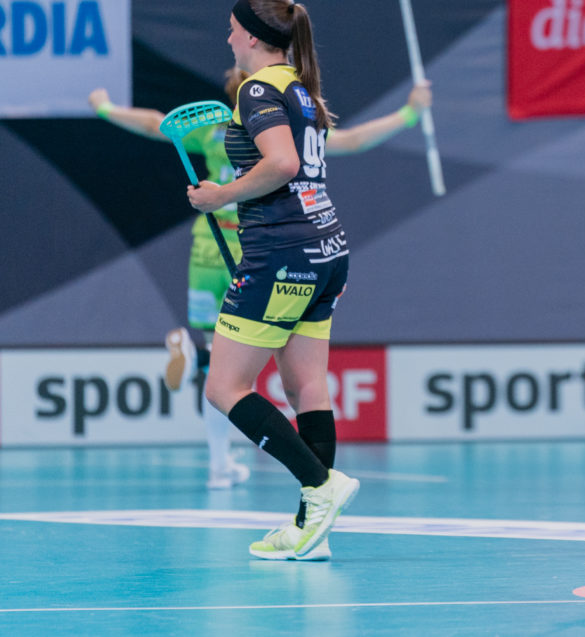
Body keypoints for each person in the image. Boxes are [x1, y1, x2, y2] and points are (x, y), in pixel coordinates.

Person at [88, 77, 432, 491]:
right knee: (249, 361)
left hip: (206, 249)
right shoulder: (286, 134)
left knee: (223, 363)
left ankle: (219, 461)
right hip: (254, 249)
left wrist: (106, 109)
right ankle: (202, 370)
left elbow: (154, 123)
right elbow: (355, 140)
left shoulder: (215, 129)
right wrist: (410, 112)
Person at [187, 0, 360, 561]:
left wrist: (221, 196)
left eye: (232, 29)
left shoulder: (259, 88)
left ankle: (321, 485)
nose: (228, 38)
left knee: (223, 387)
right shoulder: (302, 89)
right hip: (326, 247)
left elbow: (283, 163)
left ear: (254, 37)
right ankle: (314, 528)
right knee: (305, 384)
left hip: (282, 252)